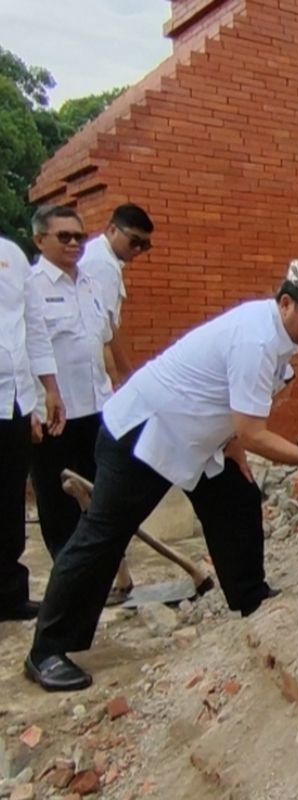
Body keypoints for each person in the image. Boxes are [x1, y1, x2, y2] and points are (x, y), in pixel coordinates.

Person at [26, 260, 298, 691]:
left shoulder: (276, 337)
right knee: (103, 536)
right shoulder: (257, 339)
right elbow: (256, 431)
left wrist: (233, 443)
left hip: (195, 438)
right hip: (143, 433)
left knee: (237, 496)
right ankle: (46, 652)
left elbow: (230, 402)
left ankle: (251, 600)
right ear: (286, 303)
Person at [27, 206, 115, 560]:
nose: (75, 243)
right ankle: (67, 577)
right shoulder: (28, 289)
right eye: (64, 236)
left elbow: (102, 342)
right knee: (59, 503)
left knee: (99, 497)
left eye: (79, 236)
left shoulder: (91, 284)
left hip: (96, 410)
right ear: (40, 240)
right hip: (53, 416)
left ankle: (99, 574)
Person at [0, 235, 65, 622]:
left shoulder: (11, 255)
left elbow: (33, 326)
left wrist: (48, 391)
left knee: (9, 502)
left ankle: (8, 595)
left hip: (15, 400)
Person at [78, 203, 154, 386]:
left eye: (144, 245)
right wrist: (124, 376)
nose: (137, 250)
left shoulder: (97, 254)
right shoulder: (103, 264)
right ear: (112, 230)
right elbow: (106, 329)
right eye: (134, 241)